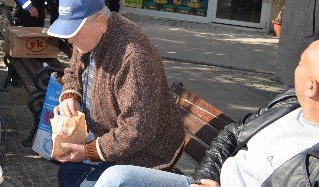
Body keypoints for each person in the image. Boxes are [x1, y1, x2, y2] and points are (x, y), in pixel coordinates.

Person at [82, 40, 319, 187]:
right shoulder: (288, 103)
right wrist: (207, 178)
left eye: (299, 64)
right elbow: (231, 134)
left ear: (312, 87)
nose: (293, 69)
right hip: (208, 181)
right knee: (116, 179)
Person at [51, 0, 184, 186]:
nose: (69, 40)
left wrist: (88, 151)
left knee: (73, 176)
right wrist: (71, 94)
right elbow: (73, 70)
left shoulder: (133, 57)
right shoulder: (90, 36)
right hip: (111, 138)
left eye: (75, 32)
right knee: (68, 172)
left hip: (146, 154)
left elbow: (137, 131)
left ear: (101, 22)